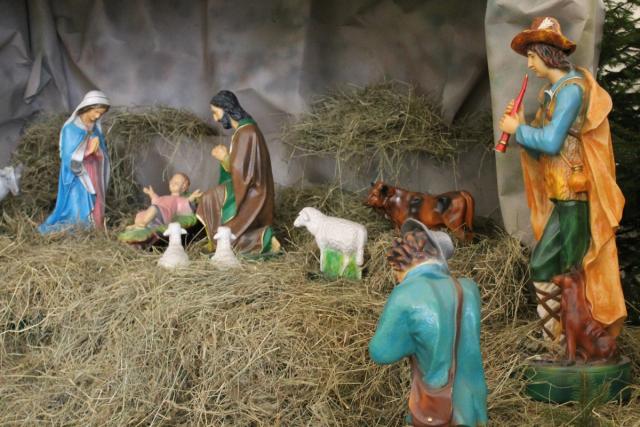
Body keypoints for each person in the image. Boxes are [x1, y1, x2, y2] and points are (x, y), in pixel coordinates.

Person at [499, 17, 626, 339]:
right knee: (549, 265)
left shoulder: (570, 91)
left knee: (571, 269)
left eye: (532, 56)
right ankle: (555, 339)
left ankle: (571, 338)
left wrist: (519, 130)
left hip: (574, 193)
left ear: (547, 54)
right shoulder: (552, 92)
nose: (528, 64)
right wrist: (523, 126)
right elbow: (542, 151)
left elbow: (552, 142)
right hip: (561, 191)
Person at [369, 219, 487, 427]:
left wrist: (409, 339)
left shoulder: (405, 294)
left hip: (436, 410)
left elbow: (381, 353)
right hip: (472, 404)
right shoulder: (468, 288)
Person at [197, 90, 279, 254]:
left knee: (210, 201)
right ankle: (216, 240)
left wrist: (225, 158)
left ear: (227, 109)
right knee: (208, 198)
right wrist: (226, 160)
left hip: (253, 193)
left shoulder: (247, 132)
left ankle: (264, 238)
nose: (215, 119)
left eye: (216, 113)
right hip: (244, 186)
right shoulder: (243, 131)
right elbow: (242, 169)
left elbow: (245, 174)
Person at [39, 91, 111, 233]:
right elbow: (68, 157)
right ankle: (80, 228)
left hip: (93, 171)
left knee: (95, 199)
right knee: (77, 203)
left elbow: (103, 152)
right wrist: (88, 149)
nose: (98, 116)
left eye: (101, 114)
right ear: (87, 107)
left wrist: (98, 151)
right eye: (96, 112)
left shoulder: (95, 129)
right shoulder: (71, 129)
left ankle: (94, 228)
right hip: (77, 176)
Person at [127, 172, 202, 230]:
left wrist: (192, 197)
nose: (173, 183)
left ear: (183, 188)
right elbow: (157, 200)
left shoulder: (178, 199)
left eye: (176, 183)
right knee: (140, 214)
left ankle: (143, 223)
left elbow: (185, 202)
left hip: (164, 214)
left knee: (153, 208)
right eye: (172, 181)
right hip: (156, 213)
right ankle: (138, 225)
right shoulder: (165, 197)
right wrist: (151, 193)